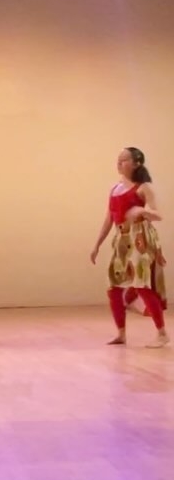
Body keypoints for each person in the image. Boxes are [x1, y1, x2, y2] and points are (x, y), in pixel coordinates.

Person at [90, 147, 169, 347]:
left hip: (140, 238)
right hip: (122, 240)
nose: (119, 162)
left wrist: (141, 210)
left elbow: (158, 214)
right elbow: (109, 219)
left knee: (142, 284)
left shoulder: (144, 187)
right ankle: (121, 333)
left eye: (124, 159)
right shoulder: (114, 189)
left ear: (136, 163)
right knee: (113, 287)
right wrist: (97, 244)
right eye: (119, 159)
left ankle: (162, 333)